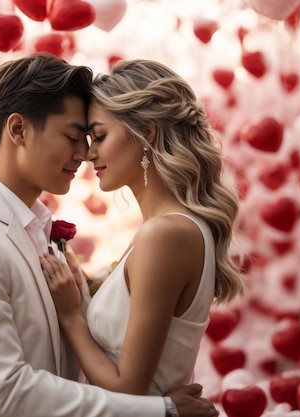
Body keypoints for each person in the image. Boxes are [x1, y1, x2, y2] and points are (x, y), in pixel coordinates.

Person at [0, 53, 219, 417]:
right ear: (18, 130)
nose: (84, 154)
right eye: (74, 136)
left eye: (91, 137)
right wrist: (161, 409)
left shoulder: (42, 234)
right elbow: (4, 394)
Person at [40, 59, 244, 396]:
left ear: (146, 133)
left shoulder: (165, 235)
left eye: (100, 136)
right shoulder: (168, 230)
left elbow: (129, 387)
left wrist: (72, 316)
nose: (89, 153)